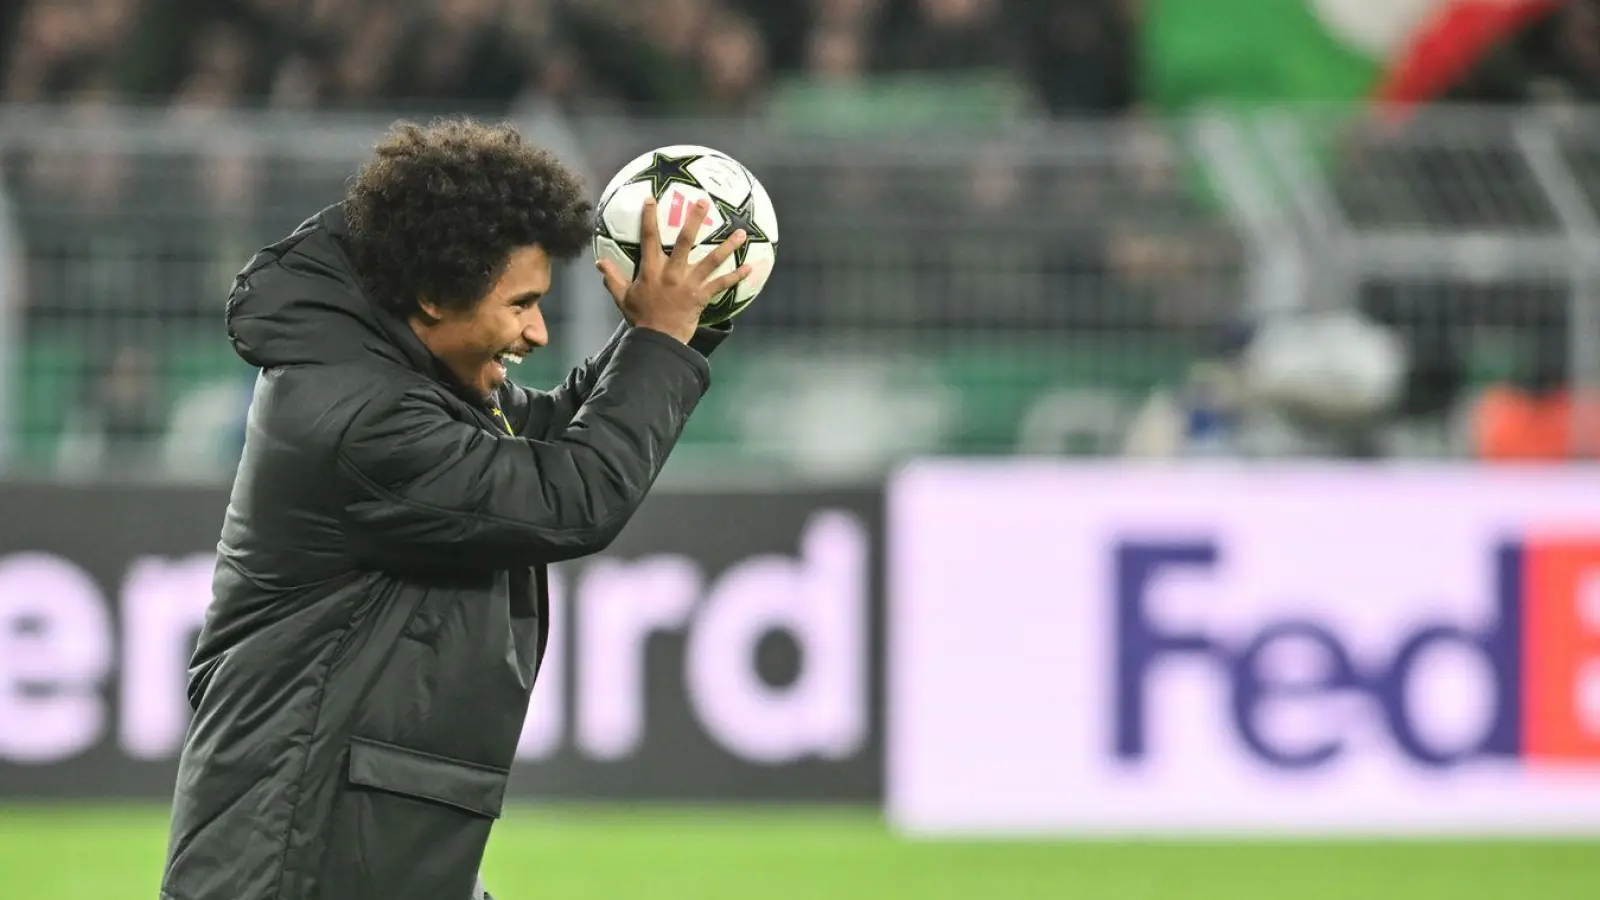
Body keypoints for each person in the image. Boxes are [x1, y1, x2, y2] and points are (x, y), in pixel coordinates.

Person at [159, 118, 750, 900]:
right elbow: (571, 495)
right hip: (294, 865)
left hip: (356, 854)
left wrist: (676, 327)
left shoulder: (395, 376)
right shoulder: (364, 420)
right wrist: (660, 342)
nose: (538, 331)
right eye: (523, 304)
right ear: (435, 297)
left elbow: (550, 437)